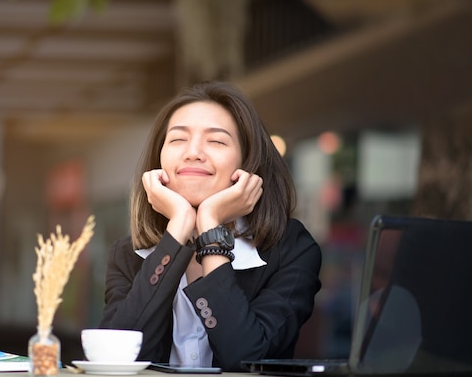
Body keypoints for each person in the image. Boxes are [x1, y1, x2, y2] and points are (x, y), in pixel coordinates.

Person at [99, 81, 322, 371]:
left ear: (248, 162)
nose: (193, 153)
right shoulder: (128, 255)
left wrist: (211, 228)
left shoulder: (290, 248)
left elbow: (246, 359)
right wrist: (179, 225)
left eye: (216, 141)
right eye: (178, 139)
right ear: (159, 160)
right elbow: (115, 359)